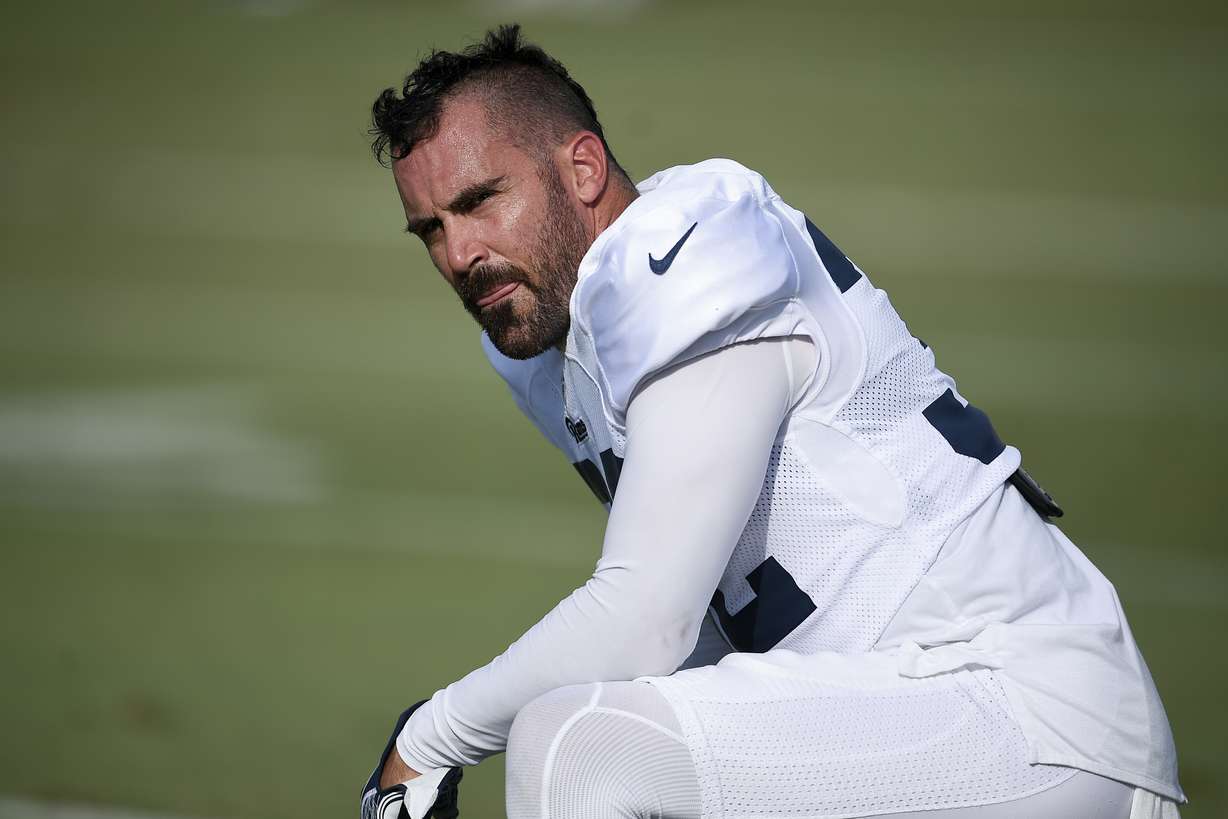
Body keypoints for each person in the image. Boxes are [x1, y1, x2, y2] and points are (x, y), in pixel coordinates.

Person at [359, 24, 1183, 819]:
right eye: (431, 229)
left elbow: (645, 618)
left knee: (575, 743)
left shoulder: (685, 252)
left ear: (582, 168)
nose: (459, 254)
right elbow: (703, 626)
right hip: (891, 710)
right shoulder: (546, 341)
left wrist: (430, 736)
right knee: (625, 731)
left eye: (480, 201)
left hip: (1021, 705)